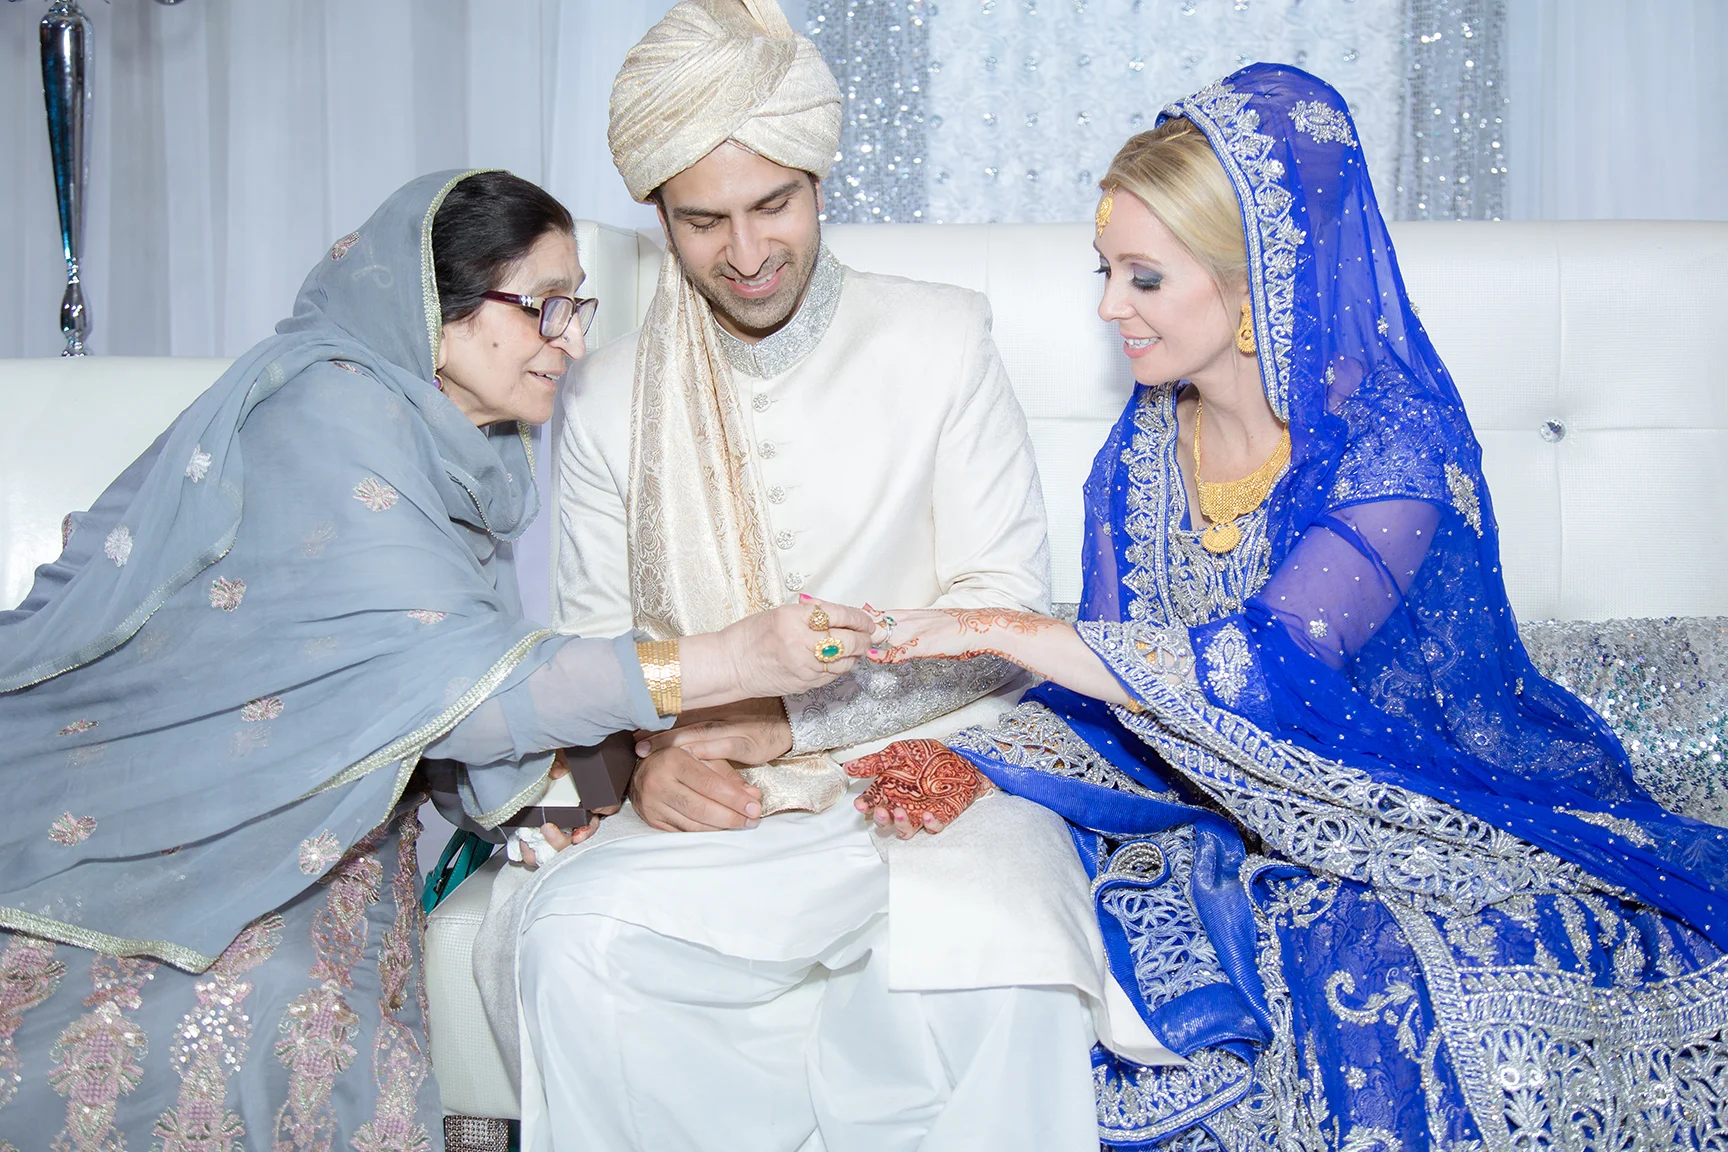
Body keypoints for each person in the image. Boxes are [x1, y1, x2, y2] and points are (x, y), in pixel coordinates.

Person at [854, 63, 1728, 1149]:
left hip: (1428, 797)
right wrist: (976, 758)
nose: (1107, 308)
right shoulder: (1138, 456)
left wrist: (1000, 626)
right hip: (1223, 811)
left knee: (1365, 951)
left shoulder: (1389, 449)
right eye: (1105, 273)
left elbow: (1268, 674)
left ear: (1255, 278)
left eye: (1142, 278)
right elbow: (1123, 705)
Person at [0, 169, 873, 1147]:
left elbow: (437, 698)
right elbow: (473, 702)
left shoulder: (463, 452)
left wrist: (620, 769)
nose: (573, 340)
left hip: (317, 823)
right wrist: (731, 660)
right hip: (142, 801)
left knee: (305, 1004)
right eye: (546, 308)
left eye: (576, 308)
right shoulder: (337, 417)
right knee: (191, 1020)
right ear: (437, 305)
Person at [497, 2, 1115, 1150]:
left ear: (821, 181)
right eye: (702, 221)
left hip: (939, 778)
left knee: (1001, 978)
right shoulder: (608, 396)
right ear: (657, 217)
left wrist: (783, 720)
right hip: (725, 815)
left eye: (772, 204)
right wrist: (644, 761)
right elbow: (594, 657)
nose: (744, 252)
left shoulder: (941, 339)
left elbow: (1008, 619)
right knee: (577, 945)